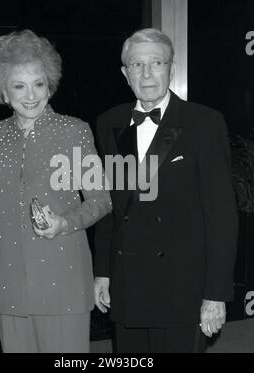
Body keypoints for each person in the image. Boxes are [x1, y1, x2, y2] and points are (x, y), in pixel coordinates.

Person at [94, 28, 238, 353]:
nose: (146, 74)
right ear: (124, 73)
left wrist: (215, 294)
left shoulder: (204, 122)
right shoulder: (108, 123)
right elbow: (110, 204)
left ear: (170, 68)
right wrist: (102, 271)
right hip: (129, 280)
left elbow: (222, 216)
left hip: (182, 286)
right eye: (137, 65)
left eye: (156, 63)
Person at [0, 29, 112, 353]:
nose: (30, 95)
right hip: (7, 283)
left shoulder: (74, 131)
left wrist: (64, 222)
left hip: (63, 278)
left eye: (38, 84)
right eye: (19, 85)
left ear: (50, 84)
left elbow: (101, 200)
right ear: (3, 91)